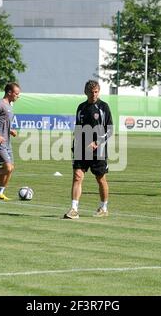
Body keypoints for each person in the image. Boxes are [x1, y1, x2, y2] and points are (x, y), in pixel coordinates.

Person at [64, 80, 113, 219]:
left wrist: (97, 142)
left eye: (96, 91)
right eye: (91, 92)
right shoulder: (81, 107)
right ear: (85, 92)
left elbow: (110, 130)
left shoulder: (104, 107)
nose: (94, 94)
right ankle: (73, 209)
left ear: (99, 91)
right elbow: (78, 128)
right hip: (81, 149)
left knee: (100, 179)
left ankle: (103, 207)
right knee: (77, 176)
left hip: (99, 150)